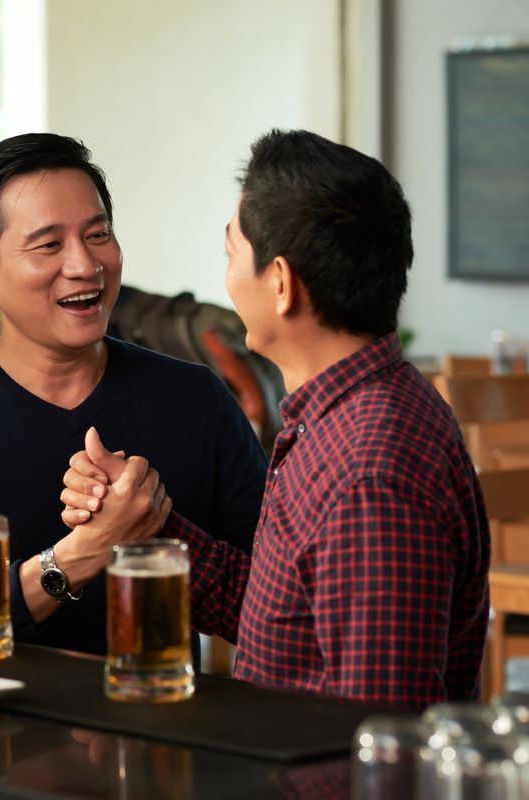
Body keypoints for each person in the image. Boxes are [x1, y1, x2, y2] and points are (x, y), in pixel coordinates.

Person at [62, 130, 489, 708]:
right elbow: (286, 622)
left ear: (282, 284)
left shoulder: (369, 471)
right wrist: (146, 526)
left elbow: (377, 735)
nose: (229, 277)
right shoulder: (338, 417)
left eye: (231, 253)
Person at [0, 133, 268, 656]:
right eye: (49, 244)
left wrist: (158, 529)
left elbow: (273, 608)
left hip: (159, 720)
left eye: (98, 234)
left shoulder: (195, 398)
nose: (84, 265)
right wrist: (85, 552)